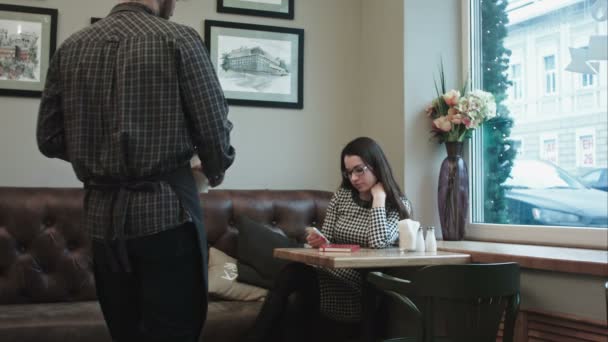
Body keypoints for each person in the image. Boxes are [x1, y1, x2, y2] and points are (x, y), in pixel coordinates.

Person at [36, 1, 235, 341]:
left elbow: (49, 138)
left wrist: (103, 160)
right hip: (167, 215)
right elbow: (214, 134)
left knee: (125, 333)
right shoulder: (180, 40)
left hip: (103, 221)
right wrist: (213, 171)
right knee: (175, 331)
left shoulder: (71, 46)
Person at [246, 136, 412, 342]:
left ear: (376, 165)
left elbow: (378, 242)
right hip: (331, 271)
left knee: (293, 279)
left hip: (364, 281)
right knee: (292, 274)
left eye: (359, 170)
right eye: (349, 172)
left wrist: (379, 199)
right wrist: (319, 241)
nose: (353, 178)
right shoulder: (342, 196)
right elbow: (329, 236)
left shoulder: (397, 204)